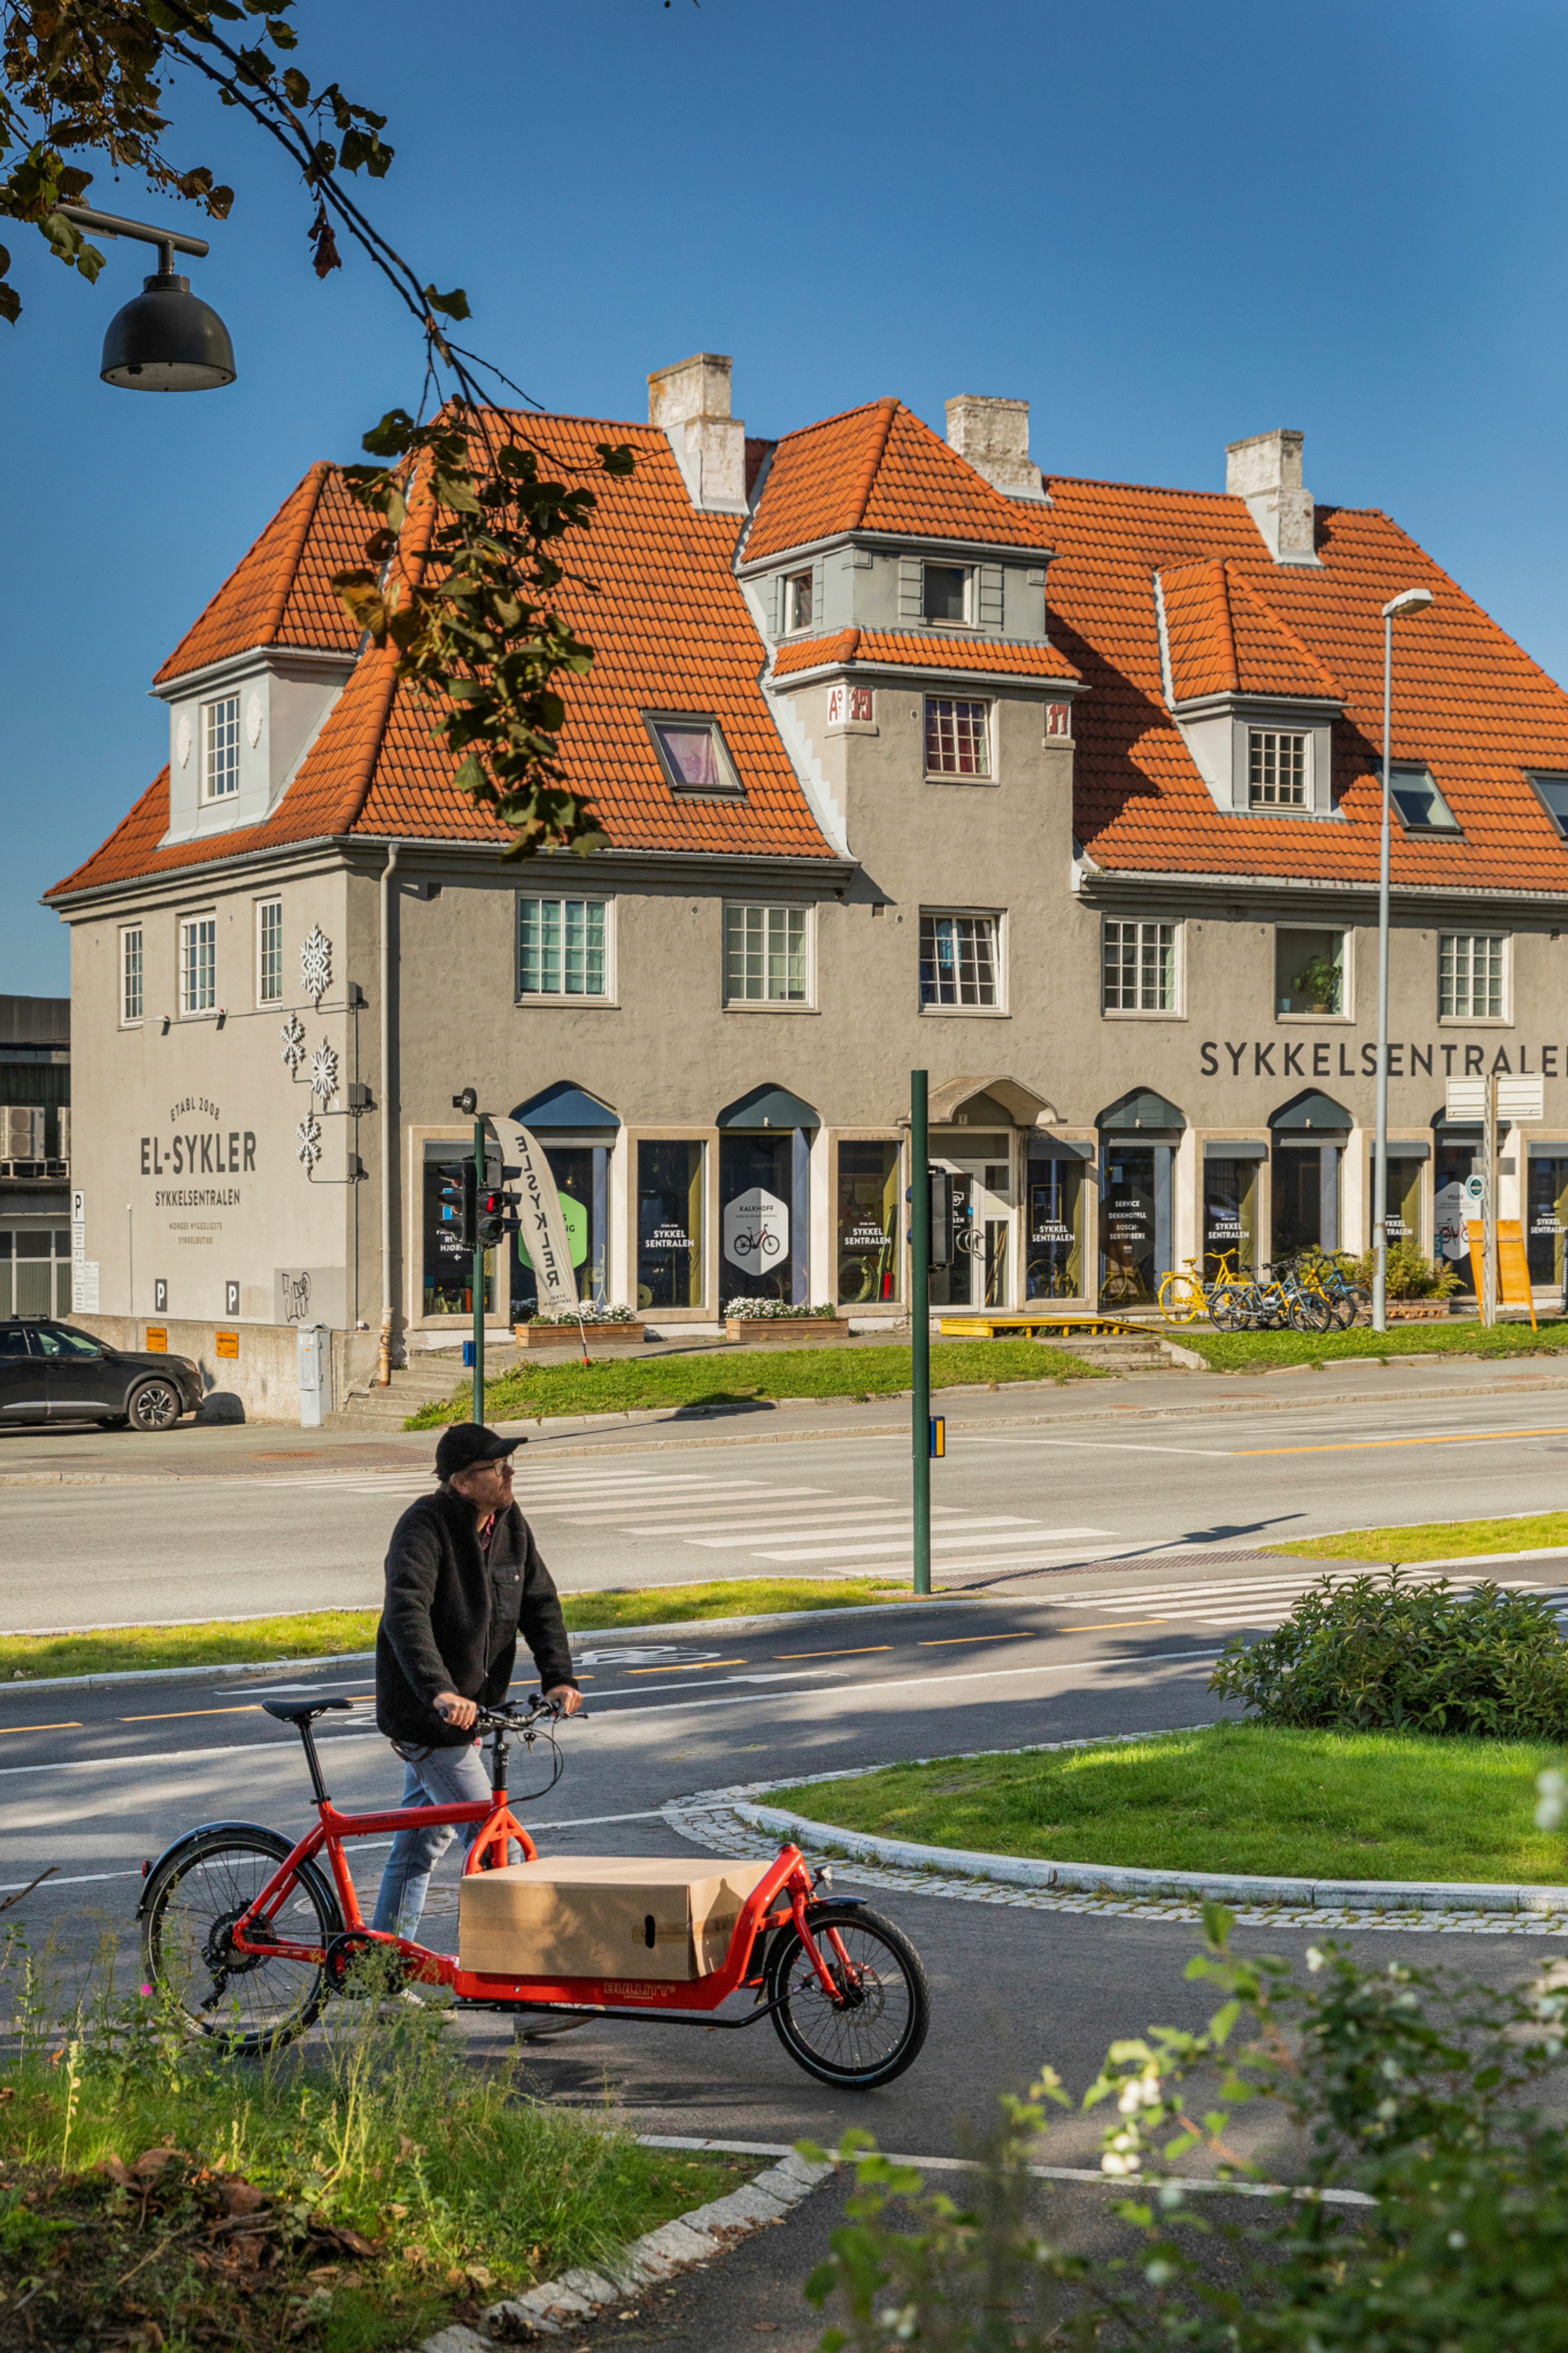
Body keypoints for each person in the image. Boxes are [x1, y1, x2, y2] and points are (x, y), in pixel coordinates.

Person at [371, 1421, 581, 1939]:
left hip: (471, 1712)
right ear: (463, 1481)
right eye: (495, 1467)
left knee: (419, 1847)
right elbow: (407, 1612)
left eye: (508, 1463)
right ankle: (512, 1976)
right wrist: (439, 1689)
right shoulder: (425, 1525)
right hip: (427, 1714)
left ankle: (376, 1969)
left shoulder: (509, 1522)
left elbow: (539, 1601)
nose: (509, 1473)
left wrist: (559, 1677)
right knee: (491, 1840)